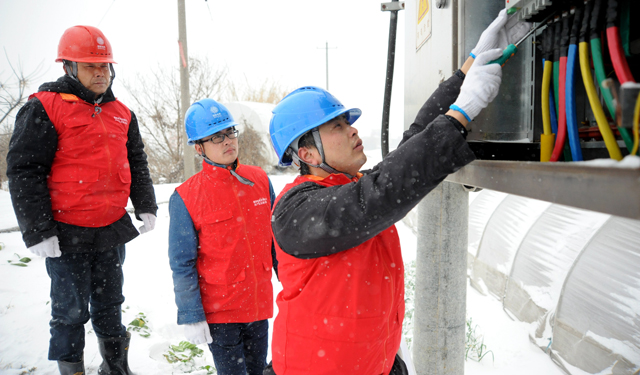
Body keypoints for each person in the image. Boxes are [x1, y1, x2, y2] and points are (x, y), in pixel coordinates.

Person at [264, 9, 530, 375]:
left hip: (375, 364)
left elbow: (412, 143)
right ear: (306, 153)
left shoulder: (349, 187)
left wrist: (465, 72)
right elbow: (375, 198)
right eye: (338, 126)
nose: (354, 131)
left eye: (349, 123)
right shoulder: (294, 210)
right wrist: (459, 116)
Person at [6, 25, 157, 375]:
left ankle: (115, 367)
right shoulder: (44, 107)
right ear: (68, 68)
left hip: (109, 231)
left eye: (105, 65)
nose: (101, 72)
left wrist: (145, 204)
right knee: (70, 310)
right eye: (91, 66)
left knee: (110, 305)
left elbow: (136, 161)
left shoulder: (122, 112)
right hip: (65, 235)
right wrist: (38, 231)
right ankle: (71, 370)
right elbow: (25, 171)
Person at [168, 98, 278, 375]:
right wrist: (191, 315)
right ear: (199, 147)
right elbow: (182, 262)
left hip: (258, 305)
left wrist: (293, 284)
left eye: (230, 132)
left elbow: (277, 241)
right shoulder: (186, 197)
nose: (228, 140)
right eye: (217, 136)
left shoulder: (260, 180)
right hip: (221, 313)